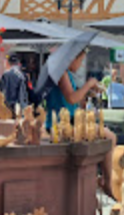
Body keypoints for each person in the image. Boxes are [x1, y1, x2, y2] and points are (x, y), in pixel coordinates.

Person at [41, 47, 118, 197]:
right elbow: (71, 98)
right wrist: (88, 84)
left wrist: (88, 94)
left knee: (108, 137)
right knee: (109, 137)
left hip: (72, 119)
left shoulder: (68, 74)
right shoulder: (60, 72)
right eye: (80, 60)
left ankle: (103, 177)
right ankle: (107, 181)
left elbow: (76, 101)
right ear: (71, 59)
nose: (81, 65)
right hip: (62, 123)